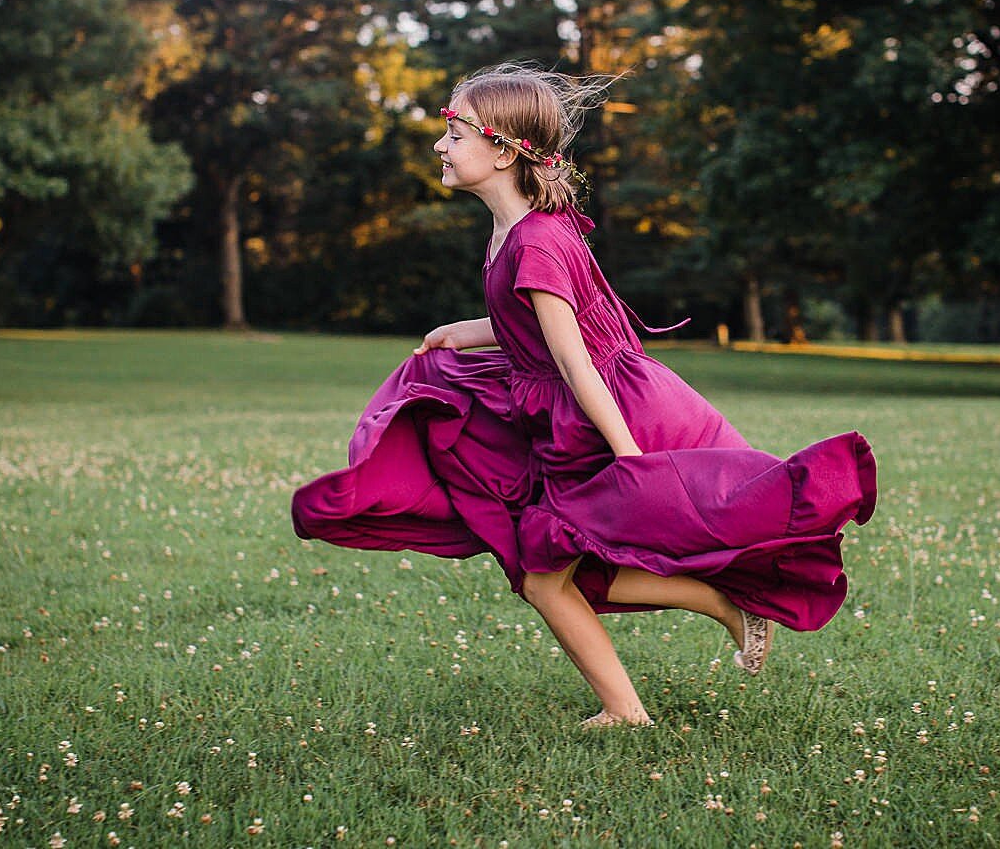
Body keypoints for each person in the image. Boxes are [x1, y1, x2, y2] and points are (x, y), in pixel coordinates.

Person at [292, 63, 876, 728]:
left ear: (505, 149)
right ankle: (679, 649)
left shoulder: (535, 242)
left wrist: (629, 454)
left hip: (599, 415)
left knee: (547, 573)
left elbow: (573, 360)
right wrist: (463, 333)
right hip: (572, 410)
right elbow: (538, 326)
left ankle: (650, 683)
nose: (440, 146)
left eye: (453, 132)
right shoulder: (518, 232)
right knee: (550, 572)